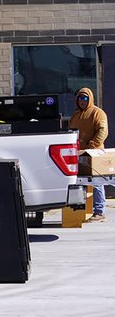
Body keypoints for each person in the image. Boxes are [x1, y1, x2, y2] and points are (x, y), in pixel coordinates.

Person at [71, 87, 108, 222]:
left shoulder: (98, 113)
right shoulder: (75, 115)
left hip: (94, 153)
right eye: (80, 98)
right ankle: (81, 210)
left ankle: (99, 211)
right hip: (79, 153)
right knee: (80, 181)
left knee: (97, 182)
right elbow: (72, 131)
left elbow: (103, 130)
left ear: (90, 99)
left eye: (85, 98)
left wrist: (93, 144)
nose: (82, 101)